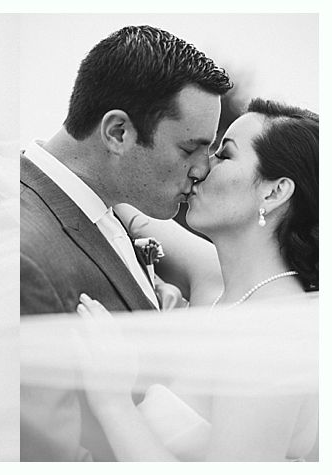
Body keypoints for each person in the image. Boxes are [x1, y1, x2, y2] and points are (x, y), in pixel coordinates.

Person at [18, 25, 233, 461]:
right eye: (189, 149)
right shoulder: (27, 256)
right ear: (118, 133)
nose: (202, 170)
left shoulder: (112, 205)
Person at [75, 99, 319, 461]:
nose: (202, 167)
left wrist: (113, 404)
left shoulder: (273, 336)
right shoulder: (220, 282)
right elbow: (127, 208)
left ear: (273, 192)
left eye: (225, 154)